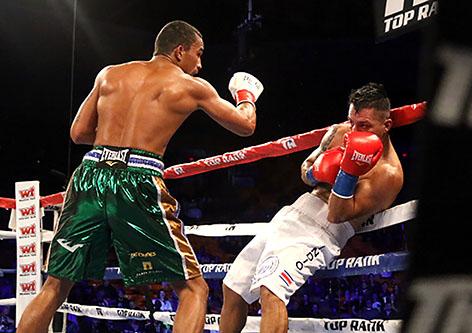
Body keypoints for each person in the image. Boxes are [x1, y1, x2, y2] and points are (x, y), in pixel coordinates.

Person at [17, 20, 263, 333]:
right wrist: (246, 95)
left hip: (90, 173)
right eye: (198, 54)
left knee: (55, 285)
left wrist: (115, 146)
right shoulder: (191, 86)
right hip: (139, 179)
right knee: (193, 290)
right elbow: (245, 125)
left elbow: (78, 133)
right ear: (179, 51)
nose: (199, 65)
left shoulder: (109, 73)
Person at [219, 82, 403, 333]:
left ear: (387, 125)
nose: (354, 131)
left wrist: (347, 171)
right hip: (293, 212)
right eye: (352, 122)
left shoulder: (388, 173)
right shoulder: (340, 132)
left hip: (322, 230)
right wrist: (318, 172)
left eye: (364, 126)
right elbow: (305, 169)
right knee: (233, 288)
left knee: (272, 290)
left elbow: (336, 214)